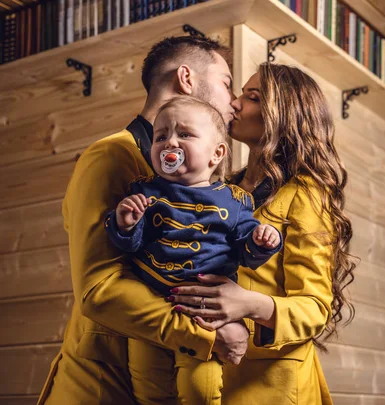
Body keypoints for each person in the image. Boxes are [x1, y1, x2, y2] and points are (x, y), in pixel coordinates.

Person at [37, 36, 250, 405]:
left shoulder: (190, 179)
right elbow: (99, 290)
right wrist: (210, 336)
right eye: (226, 83)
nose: (233, 101)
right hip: (99, 388)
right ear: (186, 78)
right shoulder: (110, 156)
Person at [170, 63, 357, 405]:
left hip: (277, 387)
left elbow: (315, 308)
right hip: (213, 377)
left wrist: (247, 303)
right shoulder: (221, 190)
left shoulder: (306, 193)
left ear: (283, 116)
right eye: (240, 93)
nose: (236, 104)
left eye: (252, 97)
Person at [104, 96, 282, 405]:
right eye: (161, 136)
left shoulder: (235, 201)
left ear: (216, 154)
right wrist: (126, 223)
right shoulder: (144, 191)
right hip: (152, 310)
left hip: (207, 317)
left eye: (184, 134)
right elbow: (127, 246)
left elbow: (246, 254)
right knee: (148, 389)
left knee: (201, 390)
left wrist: (262, 240)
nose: (170, 142)